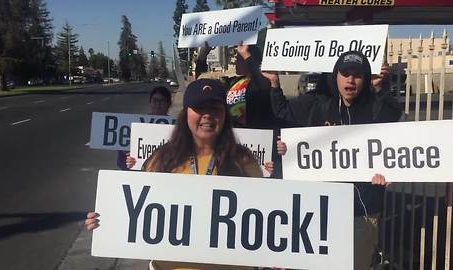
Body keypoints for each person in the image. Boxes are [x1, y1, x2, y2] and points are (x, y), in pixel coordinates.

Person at [86, 79, 262, 270]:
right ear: (185, 113)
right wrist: (105, 220)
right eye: (199, 108)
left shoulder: (243, 161)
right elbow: (135, 211)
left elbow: (264, 220)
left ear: (225, 115)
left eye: (215, 108)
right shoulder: (162, 159)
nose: (207, 115)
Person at [263, 50, 401, 270]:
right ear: (335, 76)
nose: (350, 79)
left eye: (357, 74)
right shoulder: (322, 107)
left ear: (365, 79)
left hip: (362, 212)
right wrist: (287, 151)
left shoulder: (377, 108)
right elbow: (288, 121)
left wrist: (378, 88)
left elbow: (395, 115)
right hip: (322, 212)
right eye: (345, 73)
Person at [196, 43, 283, 177]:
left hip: (255, 145)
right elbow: (201, 83)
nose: (236, 61)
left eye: (239, 58)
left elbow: (263, 84)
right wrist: (203, 56)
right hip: (232, 141)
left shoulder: (260, 85)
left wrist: (246, 54)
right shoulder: (233, 82)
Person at [117, 86, 172, 170]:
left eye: (162, 101)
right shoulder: (136, 124)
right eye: (155, 100)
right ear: (150, 102)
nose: (158, 104)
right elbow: (121, 159)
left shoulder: (175, 128)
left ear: (169, 104)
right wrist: (127, 158)